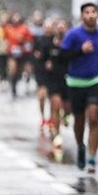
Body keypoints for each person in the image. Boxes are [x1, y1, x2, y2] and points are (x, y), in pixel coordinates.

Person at [60, 3, 98, 173]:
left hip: (96, 80)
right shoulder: (73, 35)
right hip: (76, 82)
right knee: (79, 120)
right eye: (87, 12)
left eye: (93, 11)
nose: (90, 15)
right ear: (82, 16)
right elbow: (63, 55)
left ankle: (92, 157)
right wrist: (80, 51)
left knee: (94, 117)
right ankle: (80, 146)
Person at [38, 18, 72, 160]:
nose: (60, 29)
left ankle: (66, 116)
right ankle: (57, 135)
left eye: (63, 27)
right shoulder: (48, 44)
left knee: (67, 108)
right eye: (58, 27)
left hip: (69, 80)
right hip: (53, 81)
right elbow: (42, 61)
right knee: (55, 105)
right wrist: (46, 66)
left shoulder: (71, 44)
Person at [2, 11, 34, 99]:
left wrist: (23, 40)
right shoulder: (7, 28)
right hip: (12, 52)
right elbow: (3, 38)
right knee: (13, 69)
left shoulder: (24, 28)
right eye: (14, 17)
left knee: (24, 70)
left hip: (23, 53)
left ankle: (26, 83)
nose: (16, 19)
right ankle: (13, 89)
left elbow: (30, 40)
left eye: (17, 17)